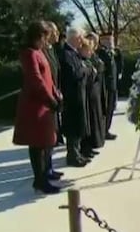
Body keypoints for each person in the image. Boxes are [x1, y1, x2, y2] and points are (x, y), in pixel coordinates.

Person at [12, 20, 62, 194]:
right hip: (35, 105)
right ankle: (39, 180)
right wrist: (50, 100)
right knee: (37, 144)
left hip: (44, 102)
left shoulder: (40, 52)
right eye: (45, 37)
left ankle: (43, 176)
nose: (46, 41)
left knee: (44, 142)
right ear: (38, 35)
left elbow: (48, 76)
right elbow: (35, 80)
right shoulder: (29, 53)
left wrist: (55, 93)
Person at [59, 27, 91, 167]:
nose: (81, 41)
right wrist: (84, 70)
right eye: (80, 38)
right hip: (71, 96)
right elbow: (73, 73)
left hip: (78, 94)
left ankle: (77, 153)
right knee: (73, 126)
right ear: (74, 38)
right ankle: (72, 155)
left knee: (78, 125)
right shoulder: (66, 53)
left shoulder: (74, 53)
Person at [42, 21, 64, 181]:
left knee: (52, 135)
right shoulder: (41, 51)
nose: (57, 34)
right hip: (47, 99)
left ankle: (50, 167)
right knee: (45, 138)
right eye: (55, 32)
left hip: (55, 95)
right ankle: (45, 170)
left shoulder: (52, 50)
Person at [97, 33, 118, 140]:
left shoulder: (111, 53)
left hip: (112, 86)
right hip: (106, 86)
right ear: (103, 41)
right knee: (106, 109)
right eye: (109, 40)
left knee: (111, 109)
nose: (112, 43)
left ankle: (107, 130)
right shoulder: (101, 53)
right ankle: (104, 131)